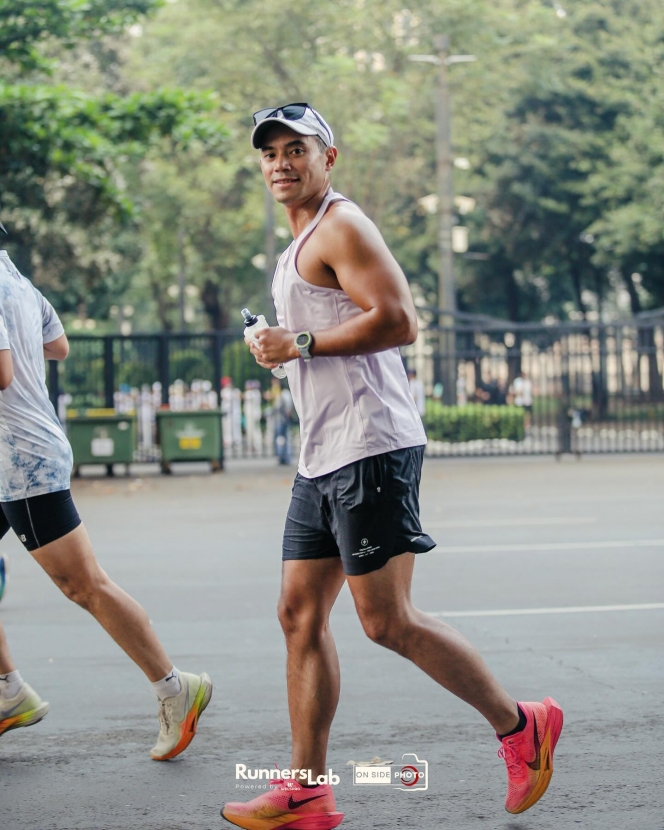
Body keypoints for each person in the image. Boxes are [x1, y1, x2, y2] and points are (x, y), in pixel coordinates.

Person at [221, 104, 562, 830]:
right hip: (325, 451)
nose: (281, 163)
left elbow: (400, 319)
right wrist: (283, 344)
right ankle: (307, 791)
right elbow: (319, 329)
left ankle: (519, 725)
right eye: (270, 153)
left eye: (296, 150)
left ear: (328, 157)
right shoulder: (298, 242)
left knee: (386, 621)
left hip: (370, 445)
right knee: (299, 614)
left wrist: (304, 343)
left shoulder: (342, 224)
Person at [0, 245, 212, 758]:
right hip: (19, 453)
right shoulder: (19, 283)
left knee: (84, 585)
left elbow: (2, 374)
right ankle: (7, 691)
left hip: (22, 463)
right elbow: (59, 345)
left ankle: (174, 688)